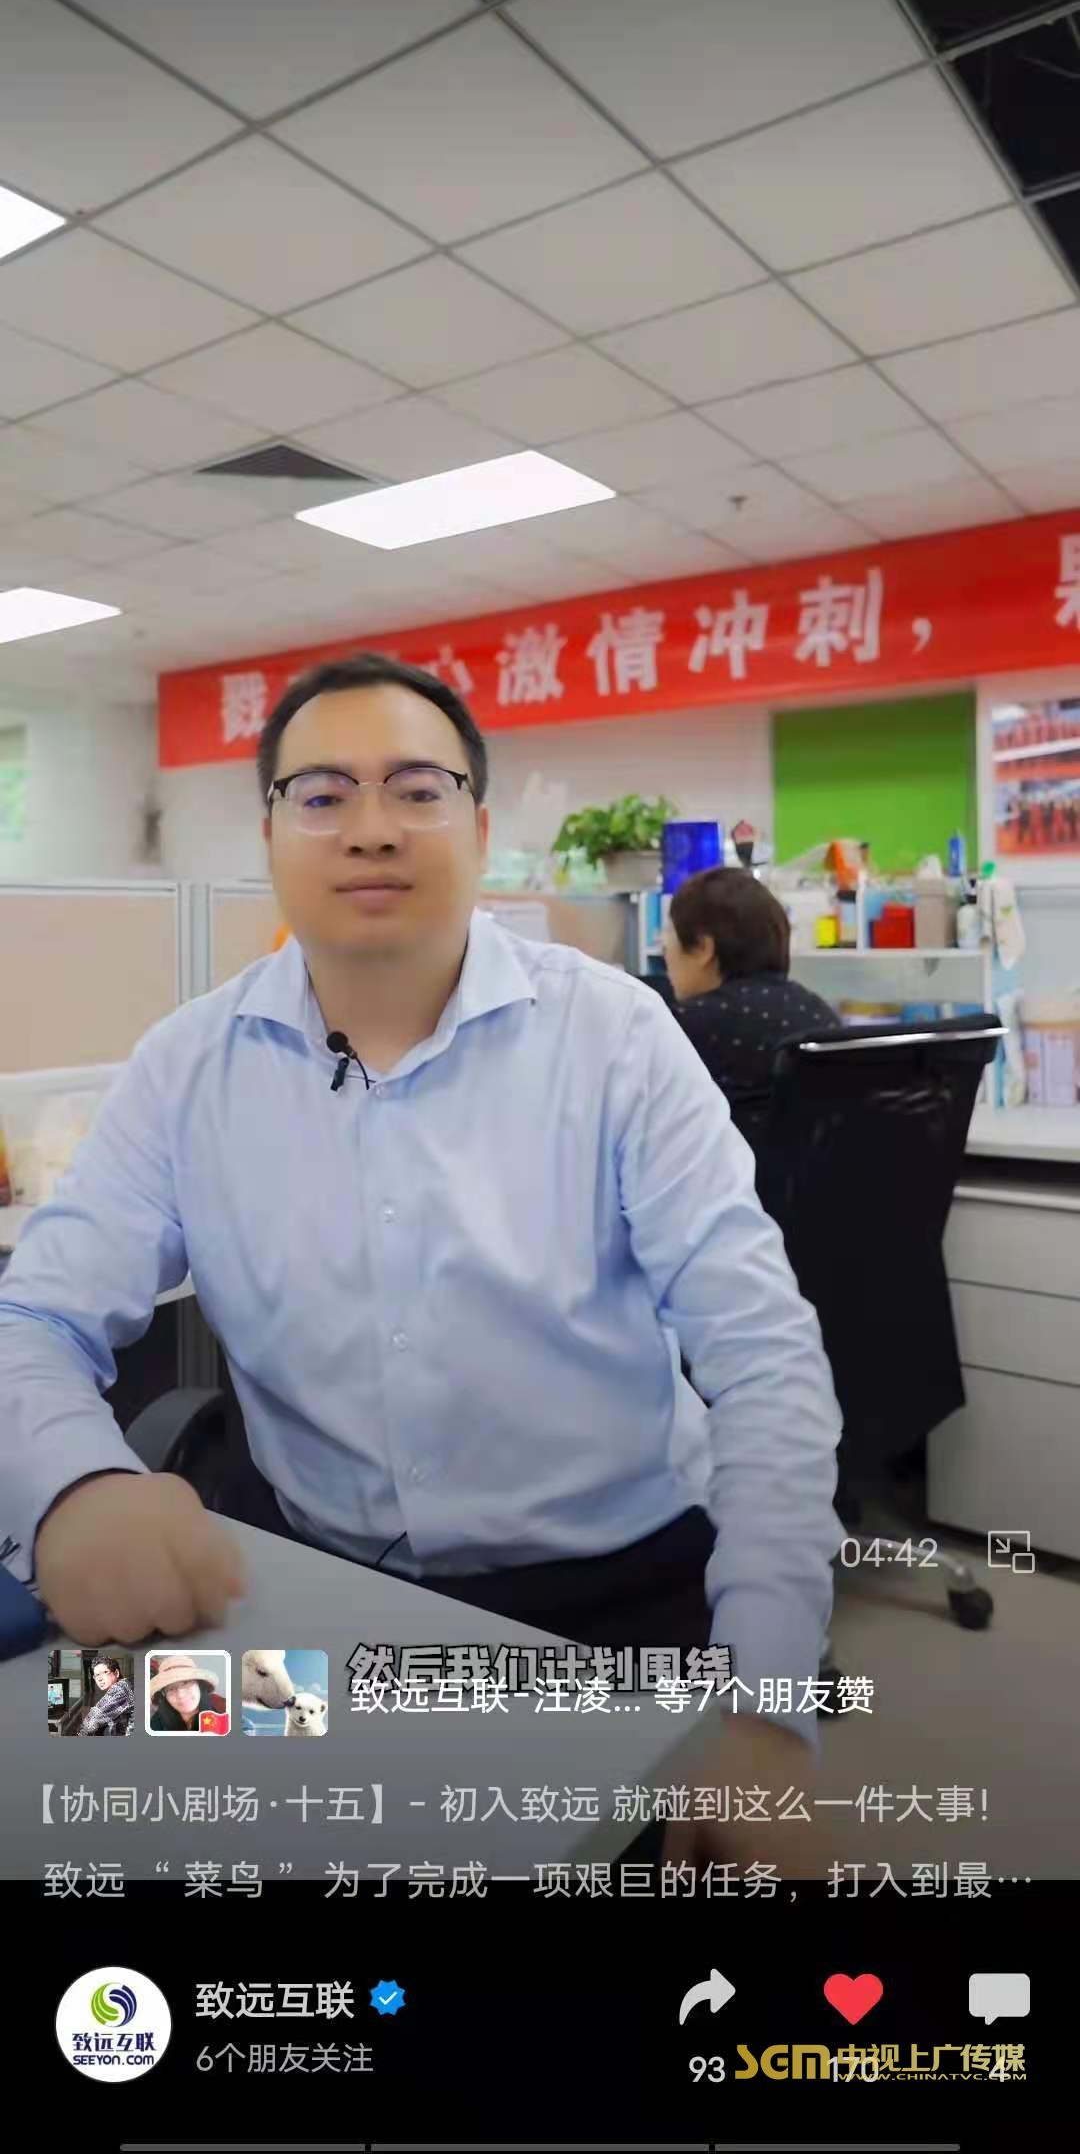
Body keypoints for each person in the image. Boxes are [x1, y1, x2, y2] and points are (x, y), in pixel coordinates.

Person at [0, 652, 843, 1871]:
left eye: (416, 789)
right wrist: (76, 1488)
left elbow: (763, 1360)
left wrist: (765, 1707)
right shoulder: (188, 1066)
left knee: (571, 1865)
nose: (371, 829)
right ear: (271, 835)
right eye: (323, 794)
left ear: (480, 829)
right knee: (74, 1749)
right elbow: (32, 1318)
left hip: (610, 1607)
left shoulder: (615, 1037)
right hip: (305, 1600)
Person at [663, 866, 839, 1152]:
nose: (665, 950)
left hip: (731, 1179)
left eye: (669, 934)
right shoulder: (819, 1013)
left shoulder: (688, 1026)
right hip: (823, 1178)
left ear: (704, 948)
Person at [148, 1652, 222, 1732]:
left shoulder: (217, 1720)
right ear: (165, 1695)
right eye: (171, 1689)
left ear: (199, 1685)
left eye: (186, 1683)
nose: (180, 1695)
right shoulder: (157, 1721)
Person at [78, 1651, 135, 1736]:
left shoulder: (121, 1688)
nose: (100, 1678)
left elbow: (90, 1723)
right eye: (97, 1675)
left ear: (116, 1673)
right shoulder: (124, 1685)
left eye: (105, 1672)